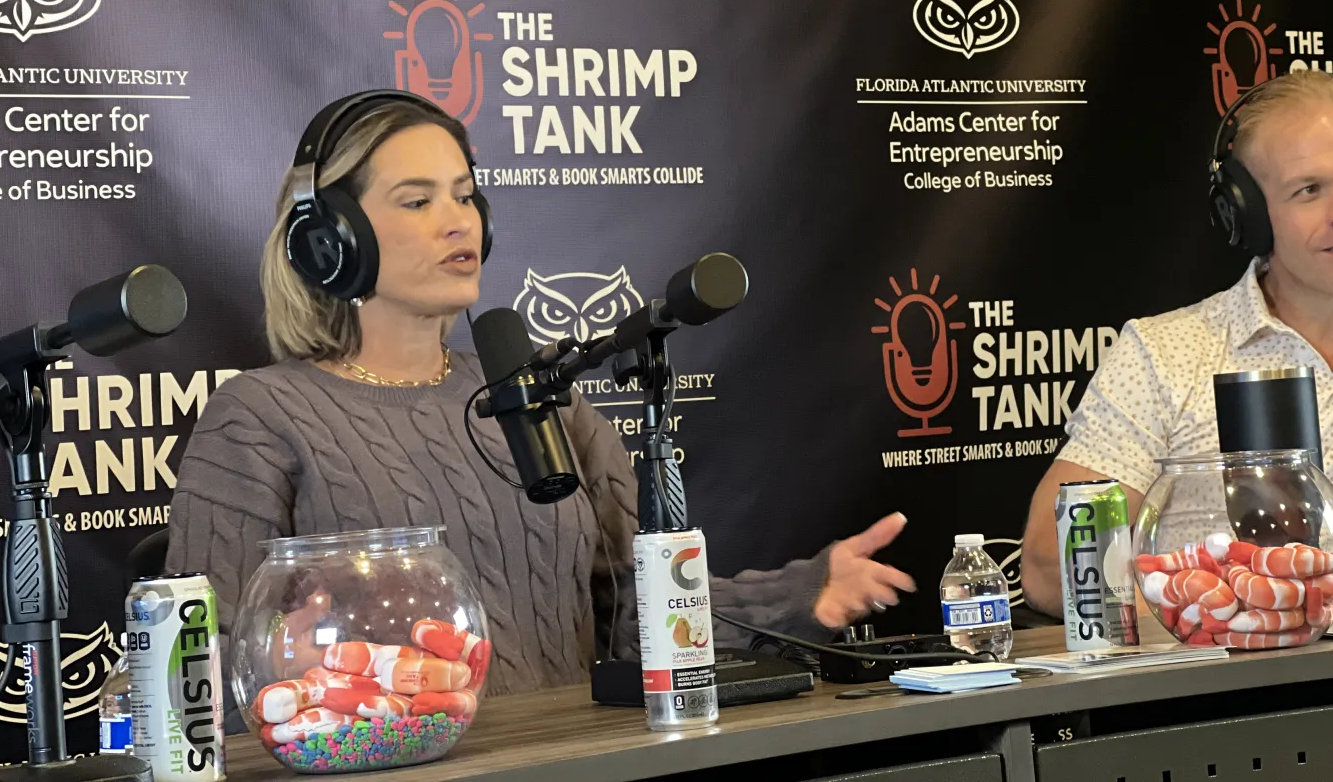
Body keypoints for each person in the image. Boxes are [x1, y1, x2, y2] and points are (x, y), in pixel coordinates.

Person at [167, 90, 915, 697]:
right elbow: (192, 668)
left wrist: (803, 594)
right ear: (328, 241)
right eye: (417, 200)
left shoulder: (536, 396)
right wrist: (276, 664)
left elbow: (633, 616)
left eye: (465, 195)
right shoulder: (260, 417)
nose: (458, 220)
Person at [1020, 71, 1333, 614]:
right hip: (1219, 675)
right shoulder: (1164, 350)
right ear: (1248, 215)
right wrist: (1243, 617)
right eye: (1309, 189)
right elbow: (1054, 569)